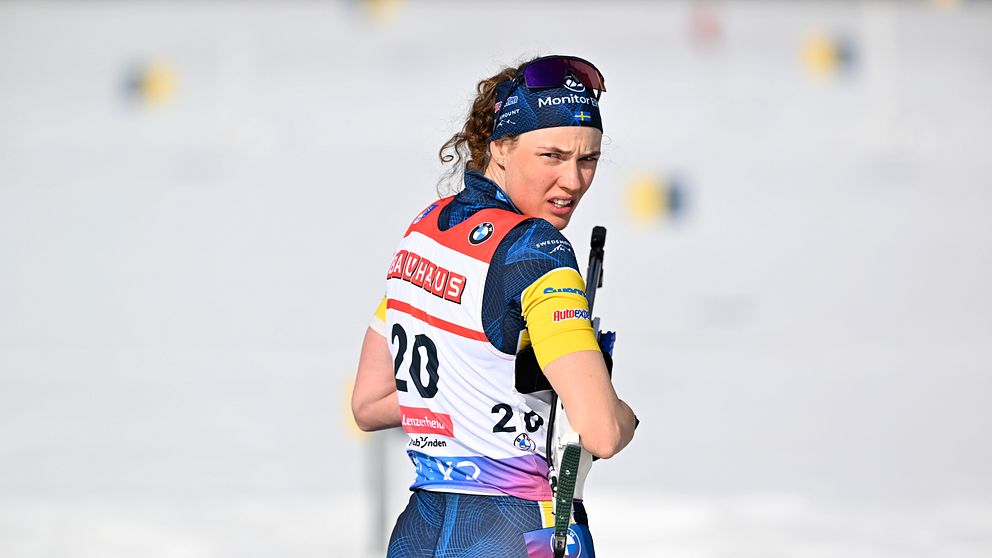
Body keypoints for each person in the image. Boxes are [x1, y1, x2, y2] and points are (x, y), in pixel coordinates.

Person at [351, 54, 638, 558]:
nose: (573, 181)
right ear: (500, 147)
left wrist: (473, 391)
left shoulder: (425, 229)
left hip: (420, 532)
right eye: (551, 156)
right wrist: (619, 413)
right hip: (520, 529)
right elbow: (603, 432)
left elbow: (370, 403)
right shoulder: (537, 251)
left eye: (587, 159)